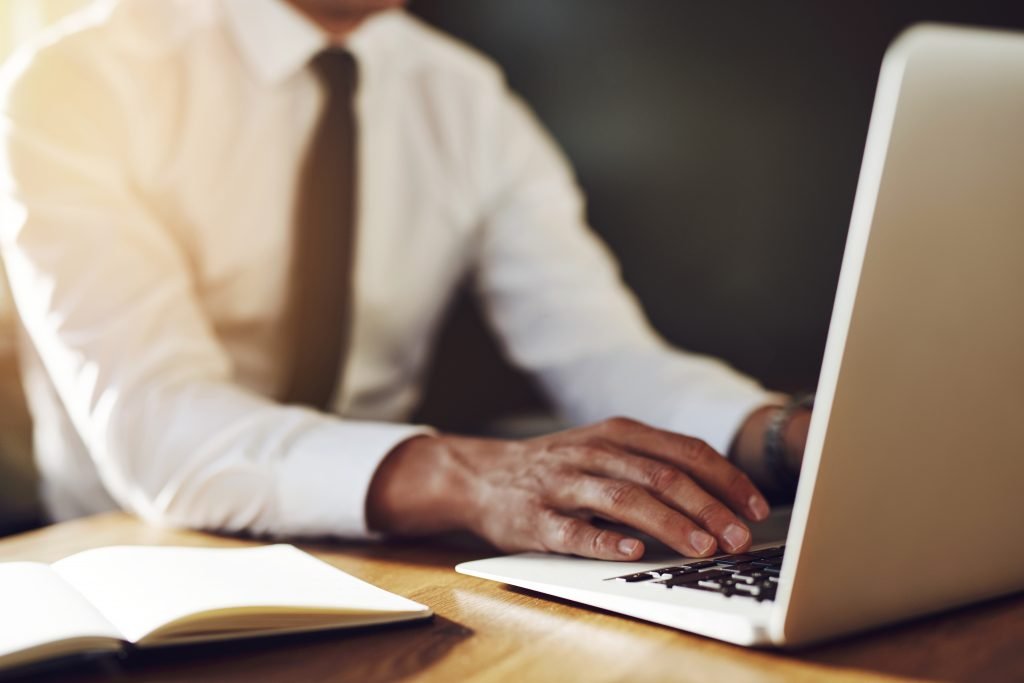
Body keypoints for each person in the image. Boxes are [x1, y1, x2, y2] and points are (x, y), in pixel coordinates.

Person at [0, 0, 810, 561]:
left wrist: (777, 436)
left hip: (377, 554)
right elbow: (161, 427)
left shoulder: (463, 97)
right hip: (131, 558)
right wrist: (468, 475)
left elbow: (602, 352)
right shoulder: (74, 83)